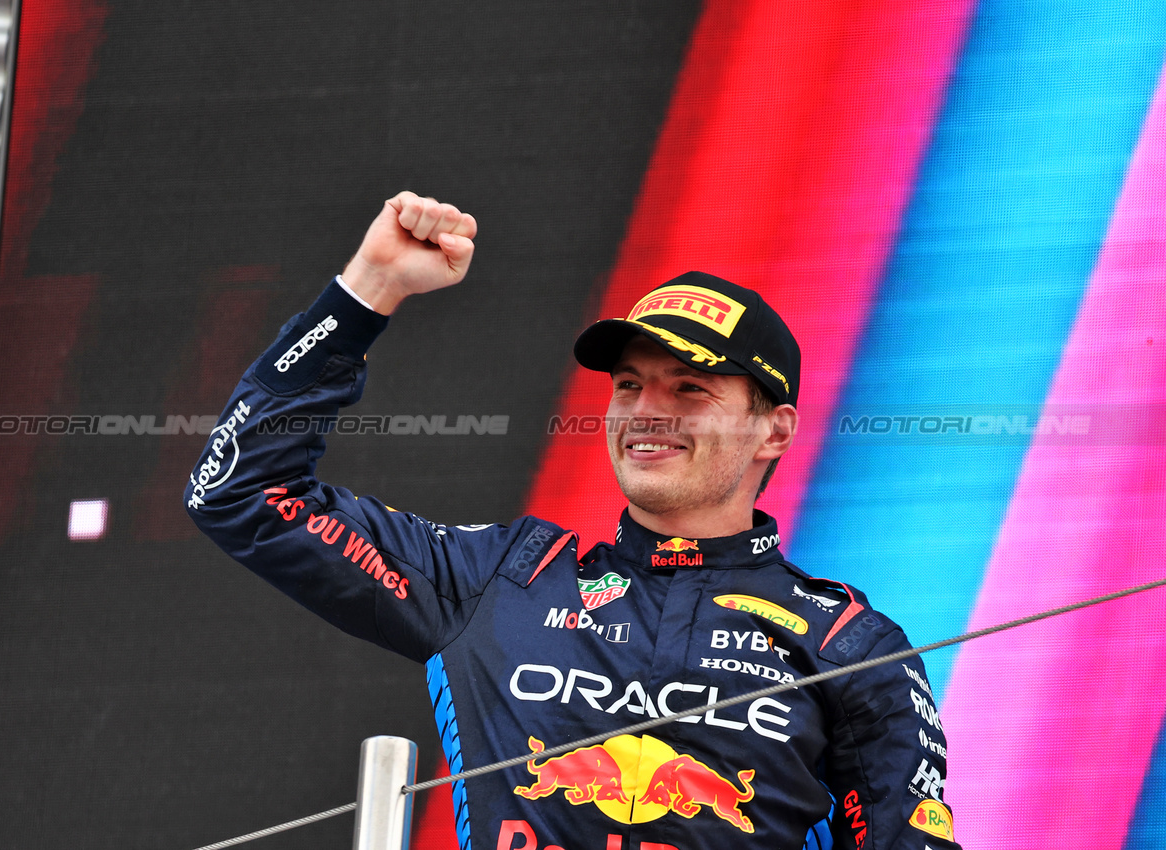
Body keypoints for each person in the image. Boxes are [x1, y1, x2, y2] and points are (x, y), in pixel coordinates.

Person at [186, 192, 960, 850]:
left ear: (775, 430)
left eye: (689, 389)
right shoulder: (498, 578)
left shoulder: (848, 645)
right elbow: (241, 491)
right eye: (629, 385)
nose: (645, 412)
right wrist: (366, 291)